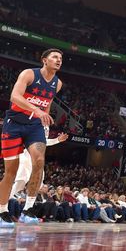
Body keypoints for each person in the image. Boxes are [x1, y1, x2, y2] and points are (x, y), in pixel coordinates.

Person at [0, 48, 63, 227]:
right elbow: (14, 96)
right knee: (11, 171)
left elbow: (48, 104)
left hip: (35, 126)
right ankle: (2, 210)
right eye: (55, 57)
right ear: (45, 60)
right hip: (14, 124)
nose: (59, 60)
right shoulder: (29, 74)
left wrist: (44, 123)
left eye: (61, 58)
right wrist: (35, 109)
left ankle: (28, 209)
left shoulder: (57, 83)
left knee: (39, 161)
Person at [11, 127, 68, 199]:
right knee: (33, 182)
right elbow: (40, 141)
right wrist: (57, 140)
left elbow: (43, 141)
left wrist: (57, 139)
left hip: (32, 157)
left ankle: (25, 207)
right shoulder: (36, 121)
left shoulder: (46, 123)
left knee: (27, 184)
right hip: (29, 156)